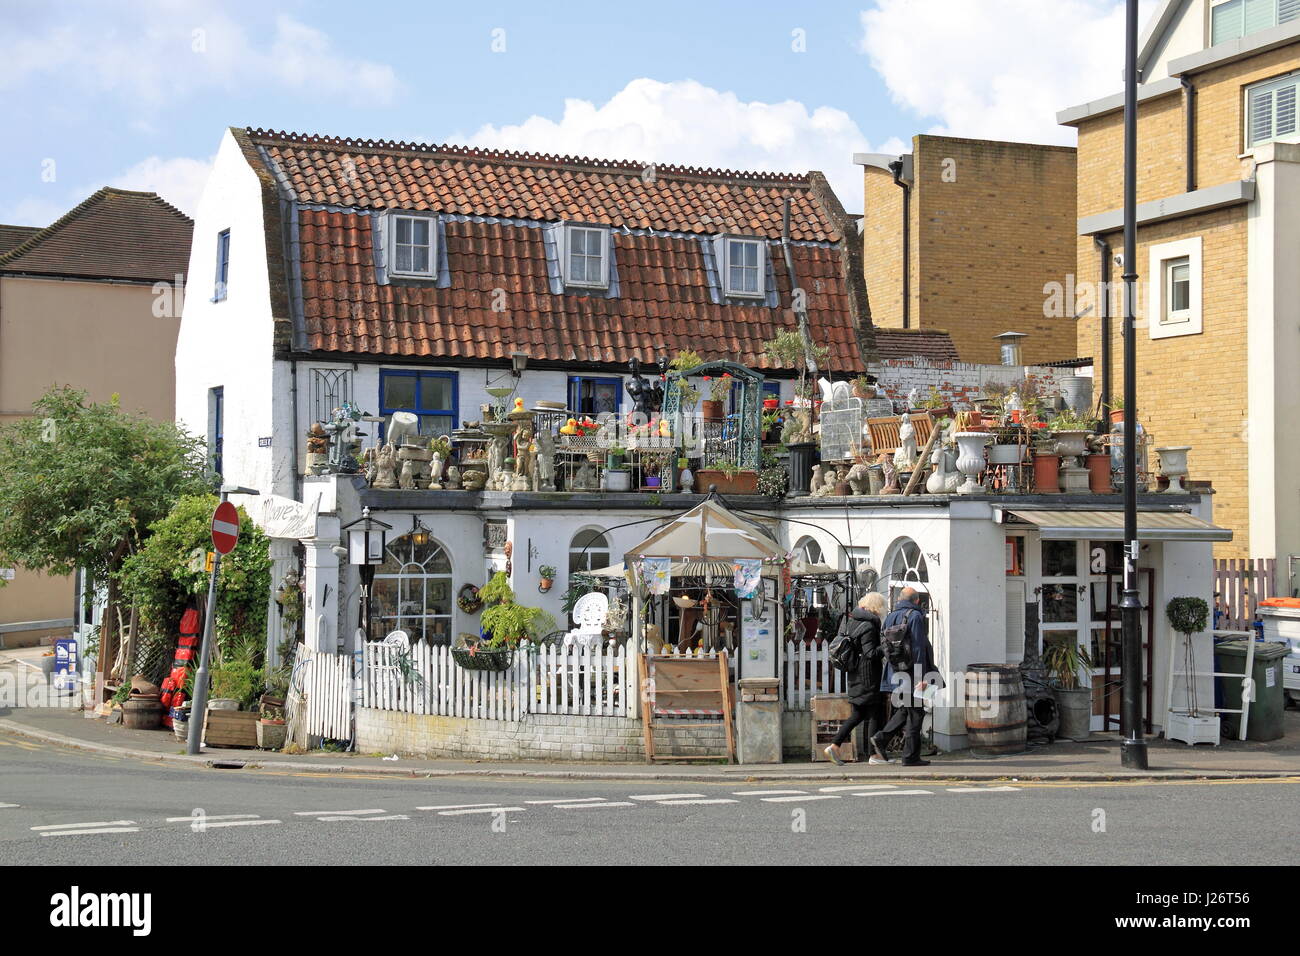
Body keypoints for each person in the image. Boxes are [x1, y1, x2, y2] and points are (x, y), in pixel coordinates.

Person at [870, 587, 939, 767]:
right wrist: (921, 678)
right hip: (913, 675)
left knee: (905, 710)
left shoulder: (890, 617)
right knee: (916, 713)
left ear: (899, 599)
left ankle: (881, 738)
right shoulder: (915, 616)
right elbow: (917, 649)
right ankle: (910, 757)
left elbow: (884, 646)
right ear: (916, 601)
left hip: (896, 673)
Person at [824, 592, 888, 766]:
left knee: (859, 713)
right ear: (876, 607)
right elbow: (870, 653)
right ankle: (875, 756)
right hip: (867, 676)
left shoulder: (851, 621)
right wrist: (886, 645)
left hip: (854, 674)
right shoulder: (868, 625)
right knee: (874, 713)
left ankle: (835, 746)